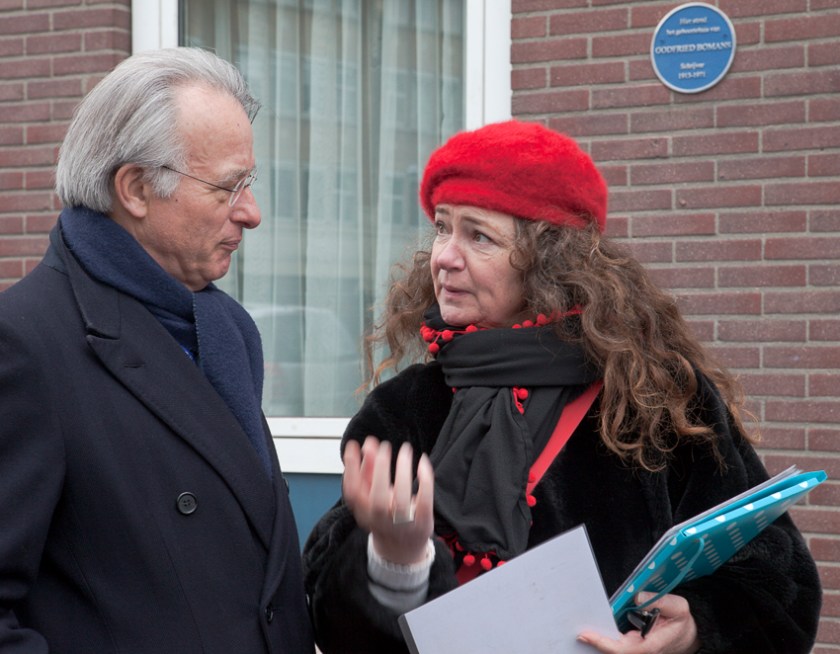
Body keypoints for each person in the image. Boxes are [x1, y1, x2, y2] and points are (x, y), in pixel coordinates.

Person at [302, 120, 822, 653]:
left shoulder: (657, 401)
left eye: (478, 235)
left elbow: (783, 590)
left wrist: (693, 631)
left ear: (552, 262)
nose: (443, 256)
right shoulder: (404, 409)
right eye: (441, 228)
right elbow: (329, 619)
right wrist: (396, 559)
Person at [0, 48, 314, 653]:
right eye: (228, 187)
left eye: (249, 183)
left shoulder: (227, 331)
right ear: (137, 189)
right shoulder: (24, 345)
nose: (252, 212)